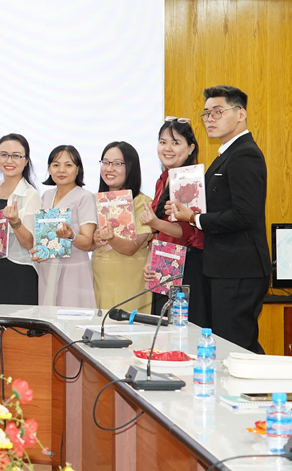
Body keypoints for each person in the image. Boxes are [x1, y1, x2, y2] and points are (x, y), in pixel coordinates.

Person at [167, 86, 269, 353]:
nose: (209, 119)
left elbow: (245, 215)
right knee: (226, 343)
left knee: (236, 347)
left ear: (241, 114)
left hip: (239, 268)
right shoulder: (227, 154)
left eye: (217, 112)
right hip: (224, 267)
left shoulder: (244, 154)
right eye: (206, 113)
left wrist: (195, 218)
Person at [139, 118, 207, 324]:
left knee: (182, 329)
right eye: (163, 142)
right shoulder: (163, 179)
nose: (167, 148)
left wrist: (154, 222)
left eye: (175, 142)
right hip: (164, 262)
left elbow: (186, 233)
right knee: (162, 328)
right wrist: (149, 261)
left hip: (185, 264)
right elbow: (158, 232)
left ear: (190, 148)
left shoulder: (189, 179)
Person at [91, 141, 153, 313]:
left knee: (128, 325)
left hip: (130, 278)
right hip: (100, 277)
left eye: (117, 163)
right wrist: (94, 240)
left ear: (131, 167)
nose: (109, 168)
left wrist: (111, 237)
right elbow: (87, 243)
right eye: (105, 162)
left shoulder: (142, 202)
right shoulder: (96, 200)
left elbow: (131, 248)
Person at [33, 145, 98, 308]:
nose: (61, 170)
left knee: (73, 318)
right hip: (47, 269)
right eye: (56, 165)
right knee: (48, 318)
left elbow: (87, 243)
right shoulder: (47, 196)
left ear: (78, 169)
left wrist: (71, 235)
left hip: (74, 272)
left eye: (68, 165)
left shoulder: (85, 197)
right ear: (49, 169)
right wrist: (38, 251)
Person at [0, 134, 43, 305]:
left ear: (26, 160)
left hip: (21, 271)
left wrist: (15, 221)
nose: (9, 160)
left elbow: (30, 243)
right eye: (4, 155)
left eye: (16, 156)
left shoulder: (30, 195)